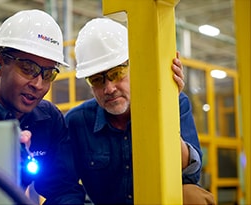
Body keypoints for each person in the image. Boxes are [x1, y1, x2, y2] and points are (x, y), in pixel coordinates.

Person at [65, 17, 214, 204]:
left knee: (193, 198)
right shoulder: (76, 122)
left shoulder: (175, 103)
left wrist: (163, 107)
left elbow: (189, 173)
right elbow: (64, 186)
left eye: (116, 73)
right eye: (96, 79)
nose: (109, 88)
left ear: (134, 67)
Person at [0, 9, 86, 204]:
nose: (38, 84)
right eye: (28, 69)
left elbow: (62, 188)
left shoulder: (48, 119)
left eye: (48, 74)